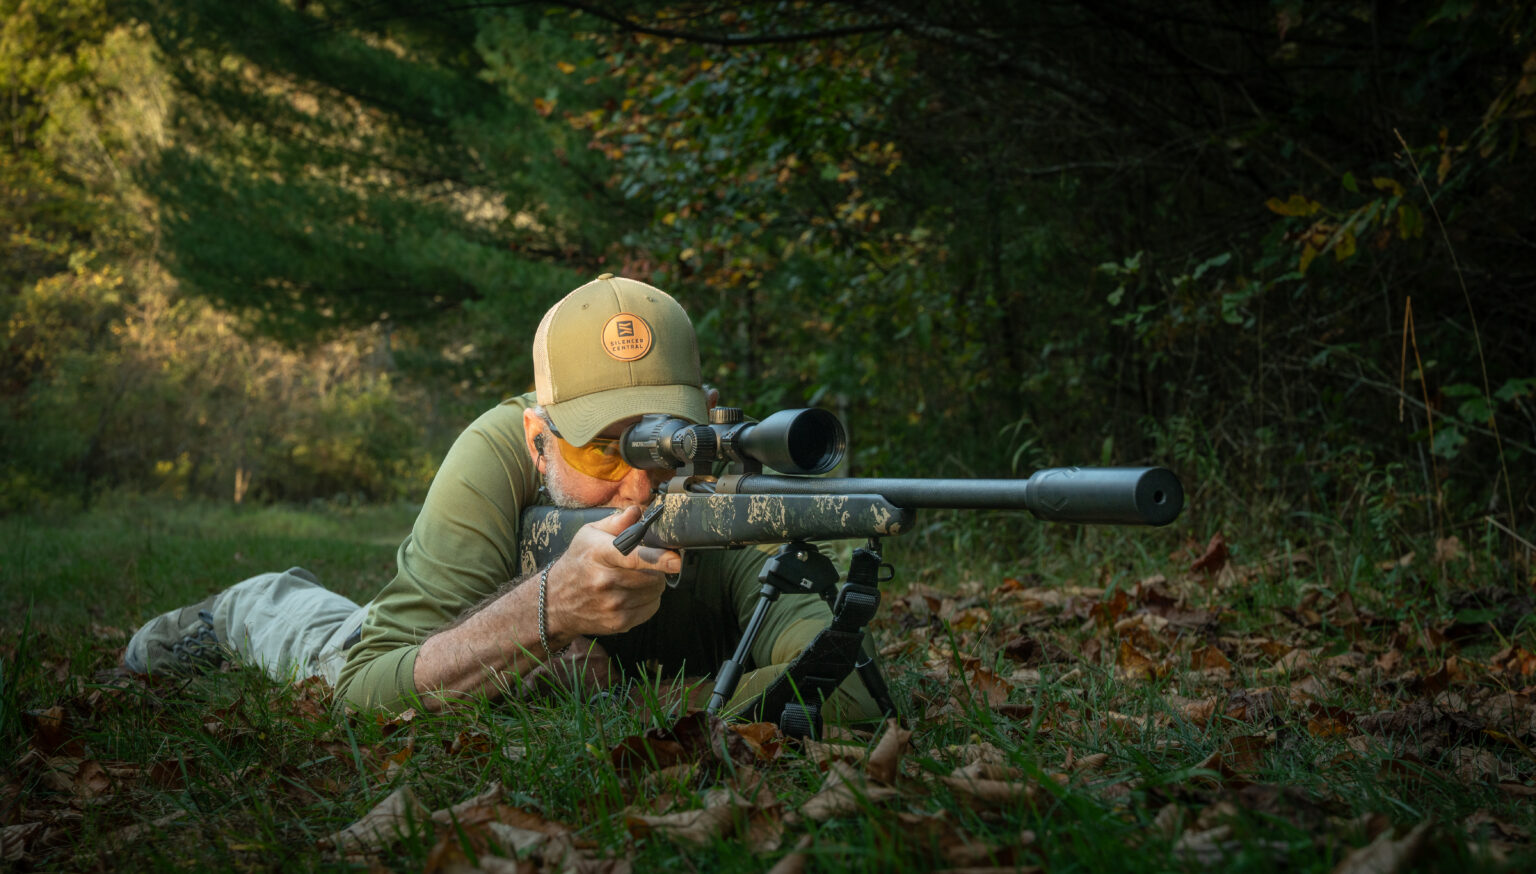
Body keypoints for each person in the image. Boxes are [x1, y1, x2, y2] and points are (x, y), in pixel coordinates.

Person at [123, 274, 880, 722]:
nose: (639, 483)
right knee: (307, 632)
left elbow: (843, 688)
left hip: (498, 652)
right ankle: (226, 612)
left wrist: (631, 699)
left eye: (665, 439)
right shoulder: (494, 453)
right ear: (537, 437)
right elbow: (362, 689)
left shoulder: (731, 497)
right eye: (597, 447)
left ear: (711, 416)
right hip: (385, 635)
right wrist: (545, 610)